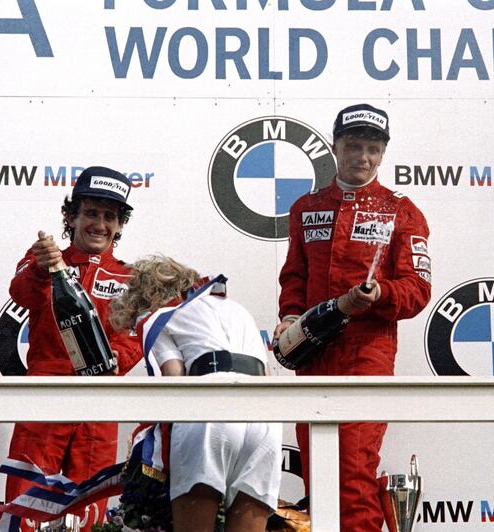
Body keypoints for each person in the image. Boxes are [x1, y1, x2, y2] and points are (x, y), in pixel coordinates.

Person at [275, 103, 432, 530]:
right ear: (335, 147)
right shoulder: (306, 207)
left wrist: (381, 294)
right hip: (311, 354)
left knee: (355, 476)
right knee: (317, 474)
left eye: (372, 149)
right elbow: (294, 277)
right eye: (352, 146)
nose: (362, 157)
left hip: (367, 355)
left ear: (383, 154)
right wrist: (289, 316)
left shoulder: (401, 210)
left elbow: (418, 290)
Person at [3, 166, 142, 532]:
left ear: (120, 224)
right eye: (91, 213)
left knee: (88, 518)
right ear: (71, 216)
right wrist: (43, 267)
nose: (100, 224)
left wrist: (114, 362)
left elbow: (135, 341)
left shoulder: (131, 278)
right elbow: (20, 293)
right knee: (25, 510)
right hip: (45, 402)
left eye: (110, 216)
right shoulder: (44, 259)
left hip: (98, 406)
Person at [110, 256, 282, 532]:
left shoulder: (161, 314)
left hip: (208, 410)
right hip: (264, 419)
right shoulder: (238, 310)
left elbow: (174, 377)